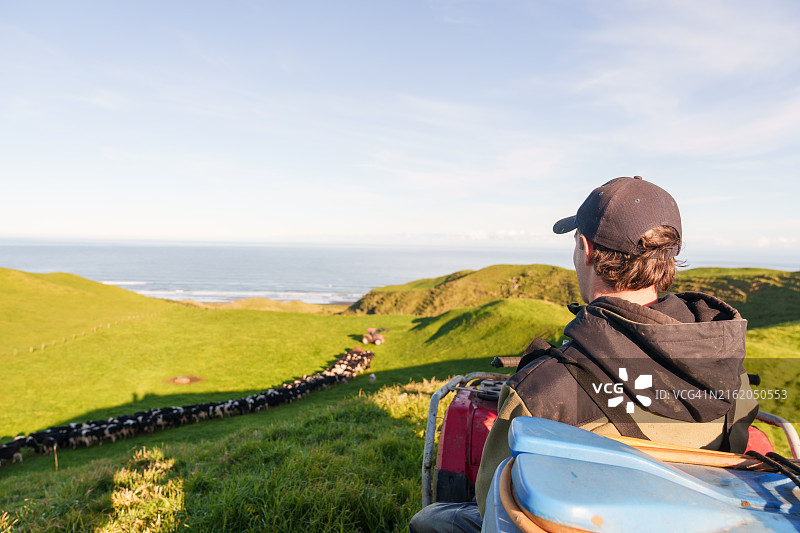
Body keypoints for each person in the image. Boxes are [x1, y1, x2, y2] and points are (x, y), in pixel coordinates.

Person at [409, 176, 759, 533]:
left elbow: (492, 507)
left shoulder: (541, 390)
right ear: (667, 256)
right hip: (709, 520)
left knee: (429, 520)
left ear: (586, 249)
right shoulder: (728, 365)